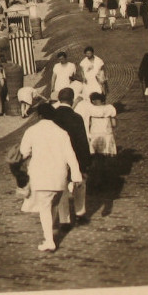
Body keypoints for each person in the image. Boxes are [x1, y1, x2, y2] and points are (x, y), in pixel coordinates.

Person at [18, 107, 83, 252]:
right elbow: (70, 156)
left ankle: (49, 240)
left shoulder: (32, 131)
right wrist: (76, 175)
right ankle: (50, 234)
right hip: (59, 176)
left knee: (45, 208)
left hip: (41, 176)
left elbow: (23, 152)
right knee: (52, 205)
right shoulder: (61, 132)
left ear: (39, 115)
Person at [50, 88, 92, 227]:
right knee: (80, 186)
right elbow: (82, 141)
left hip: (57, 157)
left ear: (59, 99)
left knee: (62, 188)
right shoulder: (76, 118)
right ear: (72, 100)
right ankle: (80, 213)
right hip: (75, 156)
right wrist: (85, 162)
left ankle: (64, 219)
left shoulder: (52, 117)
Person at [86, 92, 117, 158]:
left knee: (96, 154)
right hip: (107, 133)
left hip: (95, 134)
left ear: (93, 101)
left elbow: (88, 123)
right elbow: (114, 124)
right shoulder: (110, 108)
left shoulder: (90, 109)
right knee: (108, 152)